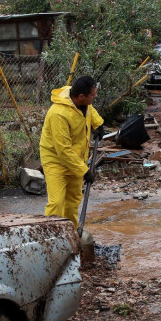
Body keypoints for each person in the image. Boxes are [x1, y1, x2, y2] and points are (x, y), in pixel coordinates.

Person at [40, 76, 104, 228]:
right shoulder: (58, 114)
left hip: (76, 158)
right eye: (93, 95)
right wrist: (84, 171)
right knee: (56, 202)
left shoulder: (79, 99)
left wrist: (98, 123)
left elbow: (89, 110)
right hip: (56, 159)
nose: (95, 97)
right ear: (81, 96)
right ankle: (51, 235)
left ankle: (73, 234)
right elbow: (63, 150)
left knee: (73, 200)